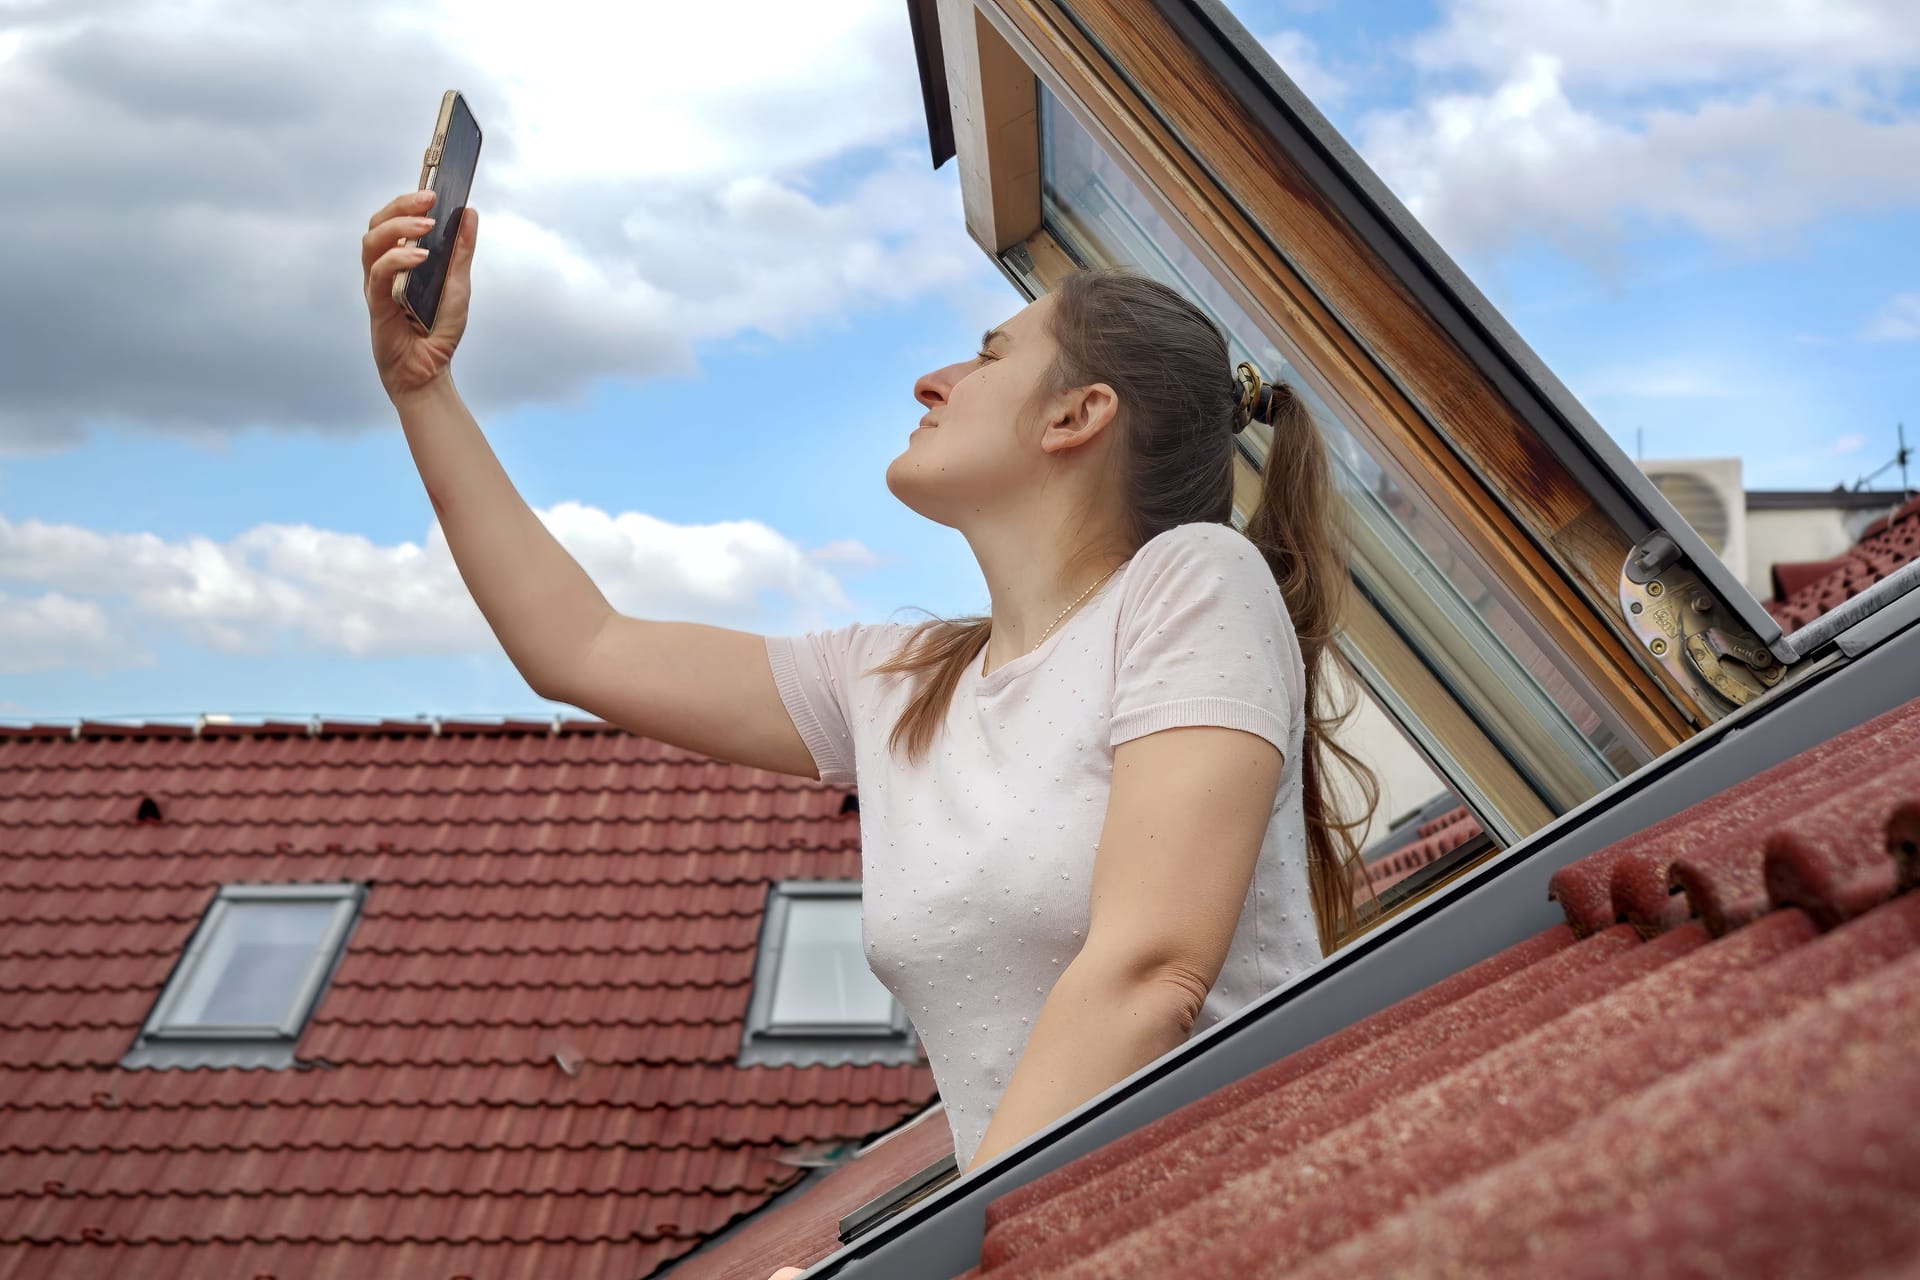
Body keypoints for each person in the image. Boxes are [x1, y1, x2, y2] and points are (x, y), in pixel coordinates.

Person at [361, 188, 1376, 1274]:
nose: (932, 379)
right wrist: (422, 390)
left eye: (988, 354)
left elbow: (1150, 966)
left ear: (1076, 415)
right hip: (1053, 1245)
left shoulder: (1192, 582)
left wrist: (940, 1251)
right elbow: (584, 644)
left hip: (1254, 1225)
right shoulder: (905, 682)